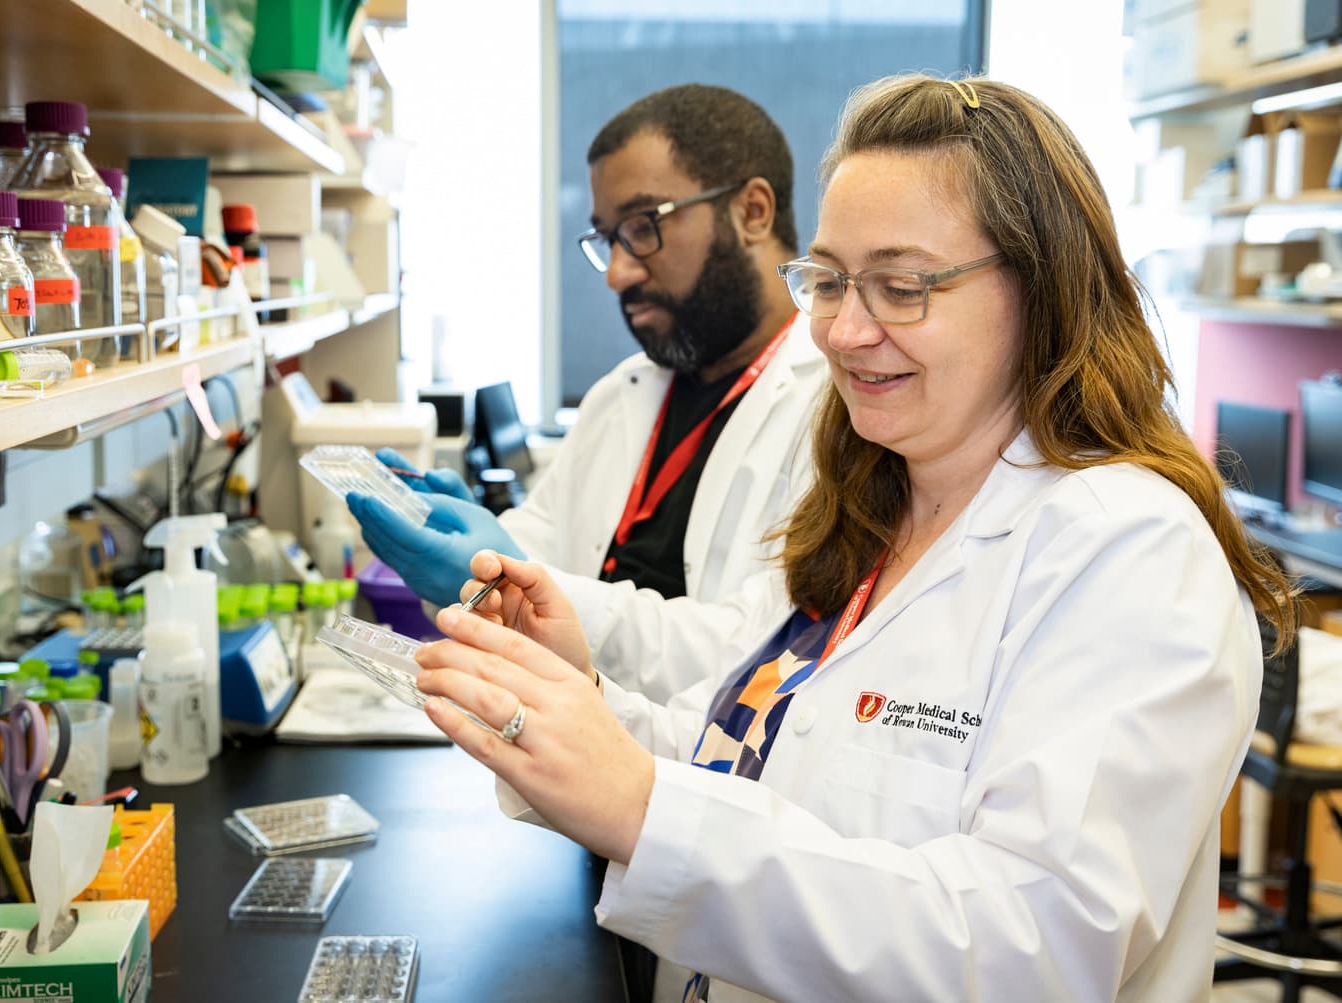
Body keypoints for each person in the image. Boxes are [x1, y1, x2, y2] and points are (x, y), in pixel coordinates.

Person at [408, 74, 1296, 1002]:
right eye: (828, 281)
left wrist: (639, 808)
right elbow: (746, 749)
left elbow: (1036, 950)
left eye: (902, 287)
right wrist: (572, 705)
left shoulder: (1130, 553)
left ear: (1042, 288)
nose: (841, 329)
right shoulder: (870, 507)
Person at [349, 84, 825, 700]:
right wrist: (470, 548)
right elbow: (536, 542)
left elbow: (760, 652)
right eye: (608, 238)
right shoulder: (619, 396)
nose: (620, 273)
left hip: (706, 785)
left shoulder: (835, 413)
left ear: (752, 211)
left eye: (643, 227)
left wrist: (533, 586)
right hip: (562, 766)